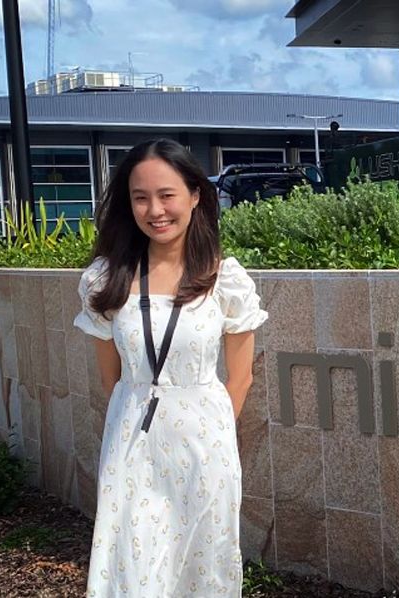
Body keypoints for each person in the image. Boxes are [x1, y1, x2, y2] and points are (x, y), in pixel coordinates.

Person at [73, 138, 268, 597]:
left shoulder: (226, 279)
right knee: (134, 564)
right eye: (140, 197)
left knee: (202, 563)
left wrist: (211, 432)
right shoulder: (106, 279)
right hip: (132, 444)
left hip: (205, 449)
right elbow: (112, 378)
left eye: (166, 195)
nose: (154, 210)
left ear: (195, 195)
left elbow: (241, 377)